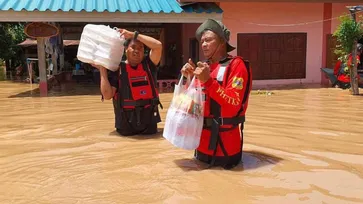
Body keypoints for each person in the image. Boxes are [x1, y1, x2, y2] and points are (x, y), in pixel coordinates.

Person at [181, 19, 252, 169]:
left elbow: (233, 105)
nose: (203, 44)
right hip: (201, 146)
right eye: (202, 41)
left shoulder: (236, 65)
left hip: (225, 149)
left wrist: (208, 81)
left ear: (222, 41)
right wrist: (187, 79)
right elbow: (191, 106)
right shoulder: (203, 68)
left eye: (208, 40)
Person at [92, 29, 163, 136]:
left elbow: (158, 46)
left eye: (141, 48)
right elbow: (107, 95)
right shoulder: (117, 69)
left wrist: (134, 35)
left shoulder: (149, 65)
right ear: (125, 49)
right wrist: (102, 69)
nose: (137, 51)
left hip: (149, 124)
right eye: (133, 47)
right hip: (126, 125)